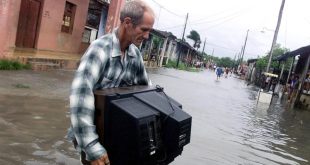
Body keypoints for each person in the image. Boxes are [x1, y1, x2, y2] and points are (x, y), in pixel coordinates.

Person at [67, 1, 155, 164]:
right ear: (127, 23)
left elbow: (148, 92)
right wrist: (92, 148)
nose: (147, 36)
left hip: (120, 135)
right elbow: (80, 100)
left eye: (149, 31)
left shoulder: (135, 54)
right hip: (95, 136)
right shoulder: (99, 50)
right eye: (144, 30)